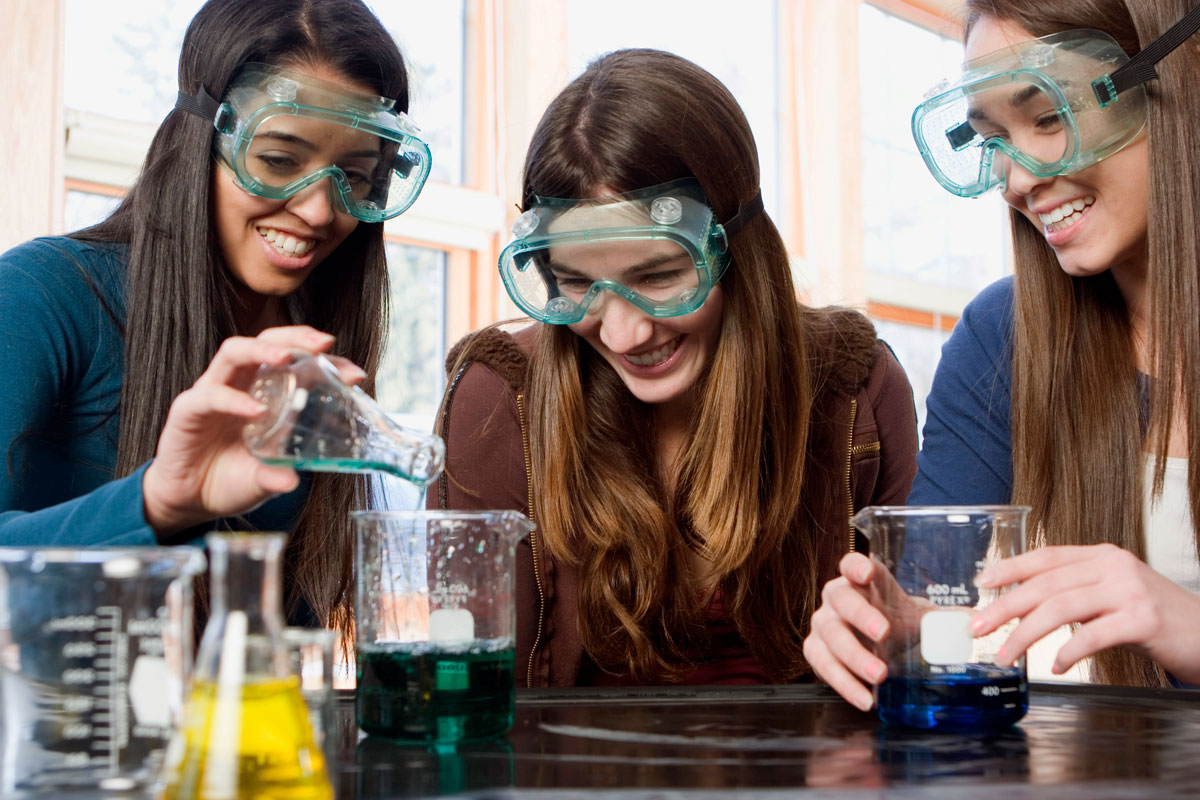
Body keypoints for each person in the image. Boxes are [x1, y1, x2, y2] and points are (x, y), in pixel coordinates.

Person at [432, 48, 919, 687]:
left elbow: (915, 657)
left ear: (736, 247)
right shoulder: (498, 397)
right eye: (576, 284)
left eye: (658, 277)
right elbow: (469, 696)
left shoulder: (856, 389)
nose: (623, 332)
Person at [805, 0, 1200, 710]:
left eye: (1049, 118)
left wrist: (1188, 628)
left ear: (1175, 70)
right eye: (995, 139)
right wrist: (891, 629)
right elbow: (936, 605)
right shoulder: (1001, 337)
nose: (1017, 181)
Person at [0, 0, 430, 633]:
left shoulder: (317, 354)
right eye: (279, 160)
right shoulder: (45, 294)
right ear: (202, 135)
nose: (317, 211)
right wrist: (155, 503)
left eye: (355, 178)